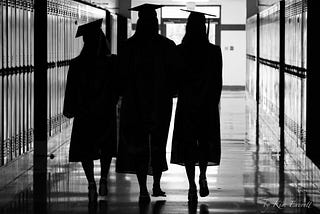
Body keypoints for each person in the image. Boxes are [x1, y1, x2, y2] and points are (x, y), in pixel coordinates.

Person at [115, 4, 178, 203]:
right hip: (160, 104)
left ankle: (143, 188)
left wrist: (121, 98)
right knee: (158, 145)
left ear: (139, 22)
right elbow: (173, 79)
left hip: (134, 105)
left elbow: (121, 79)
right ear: (155, 23)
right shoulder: (167, 46)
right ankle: (156, 185)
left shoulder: (127, 46)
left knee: (139, 146)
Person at [63, 19, 118, 204]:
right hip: (105, 112)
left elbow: (70, 89)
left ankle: (91, 184)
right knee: (106, 147)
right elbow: (118, 88)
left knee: (85, 148)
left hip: (84, 113)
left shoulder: (77, 64)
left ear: (85, 41)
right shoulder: (111, 63)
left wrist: (69, 109)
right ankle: (103, 178)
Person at [170, 10, 223, 203]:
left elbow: (174, 82)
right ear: (204, 28)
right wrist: (212, 102)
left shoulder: (180, 50)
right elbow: (218, 82)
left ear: (188, 27)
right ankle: (203, 176)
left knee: (188, 145)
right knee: (204, 143)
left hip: (187, 106)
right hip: (207, 107)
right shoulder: (214, 51)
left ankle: (191, 185)